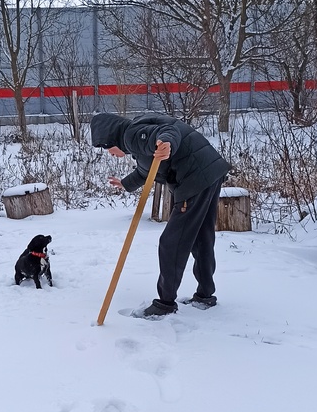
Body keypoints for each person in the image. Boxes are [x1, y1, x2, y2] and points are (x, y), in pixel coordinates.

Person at [91, 111, 230, 317]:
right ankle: (205, 295)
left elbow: (167, 131)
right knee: (200, 238)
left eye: (106, 147)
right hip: (209, 172)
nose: (110, 153)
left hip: (194, 179)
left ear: (112, 138)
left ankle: (165, 303)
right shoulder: (136, 136)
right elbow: (147, 170)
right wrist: (125, 183)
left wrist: (166, 142)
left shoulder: (131, 135)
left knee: (172, 242)